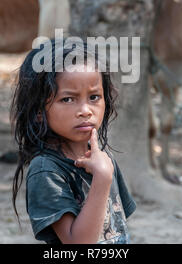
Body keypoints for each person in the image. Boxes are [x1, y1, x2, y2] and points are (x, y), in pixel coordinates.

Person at [11, 39, 136, 244]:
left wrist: (104, 171)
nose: (85, 111)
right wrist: (102, 178)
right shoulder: (46, 171)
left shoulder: (104, 159)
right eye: (68, 99)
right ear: (39, 111)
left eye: (94, 97)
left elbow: (118, 232)